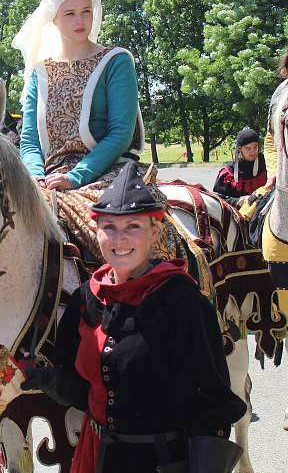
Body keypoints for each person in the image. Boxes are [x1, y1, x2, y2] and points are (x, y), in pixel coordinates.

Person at [21, 161, 246, 472]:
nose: (119, 239)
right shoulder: (87, 299)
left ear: (154, 232)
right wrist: (45, 379)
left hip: (164, 462)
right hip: (98, 457)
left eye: (133, 227)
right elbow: (81, 390)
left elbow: (210, 410)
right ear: (95, 230)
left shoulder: (183, 303)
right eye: (109, 227)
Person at [12, 0, 153, 261]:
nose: (80, 21)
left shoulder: (116, 61)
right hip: (48, 176)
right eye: (71, 13)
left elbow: (120, 133)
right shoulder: (41, 71)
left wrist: (75, 177)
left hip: (108, 171)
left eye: (86, 12)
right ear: (54, 18)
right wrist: (36, 177)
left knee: (120, 241)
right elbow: (29, 139)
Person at [213, 126, 268, 207]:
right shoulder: (228, 172)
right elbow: (217, 198)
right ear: (239, 149)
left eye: (255, 147)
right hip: (237, 215)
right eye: (248, 148)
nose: (253, 151)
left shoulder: (267, 164)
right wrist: (237, 201)